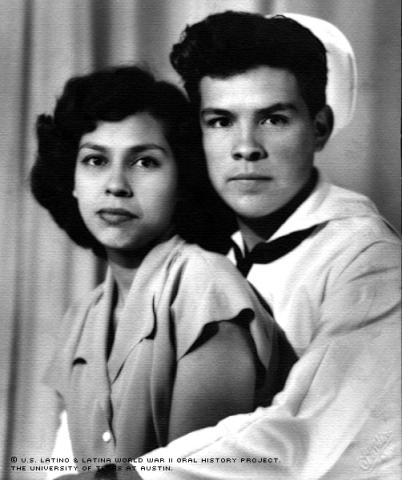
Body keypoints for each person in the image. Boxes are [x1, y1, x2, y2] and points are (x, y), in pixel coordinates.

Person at [129, 11, 400, 479]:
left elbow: (298, 436)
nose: (245, 147)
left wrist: (129, 475)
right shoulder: (214, 260)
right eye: (220, 121)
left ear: (319, 127)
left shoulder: (368, 260)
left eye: (273, 119)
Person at [31, 65, 296, 473]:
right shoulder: (84, 316)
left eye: (144, 163)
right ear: (71, 179)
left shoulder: (205, 286)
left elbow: (186, 474)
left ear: (183, 178)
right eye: (95, 160)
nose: (116, 184)